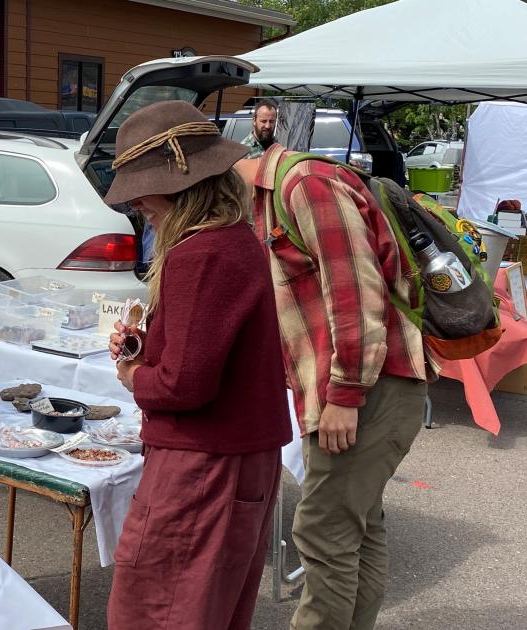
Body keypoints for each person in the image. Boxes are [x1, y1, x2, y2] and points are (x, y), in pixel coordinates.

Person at [103, 100, 292, 630]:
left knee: (158, 611)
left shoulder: (201, 253)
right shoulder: (233, 241)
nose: (138, 202)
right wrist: (147, 345)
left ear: (180, 183)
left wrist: (134, 375)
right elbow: (206, 349)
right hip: (234, 458)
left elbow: (184, 385)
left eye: (143, 186)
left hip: (204, 465)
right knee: (210, 608)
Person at [233, 139, 431, 630]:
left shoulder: (306, 185)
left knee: (323, 529)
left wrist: (345, 393)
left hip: (367, 387)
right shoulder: (277, 194)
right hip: (364, 385)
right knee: (356, 528)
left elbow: (354, 292)